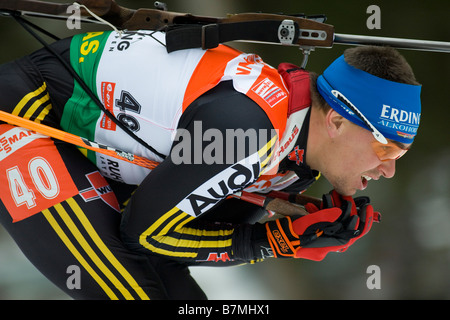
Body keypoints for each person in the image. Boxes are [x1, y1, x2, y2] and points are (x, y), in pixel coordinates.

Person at [0, 28, 421, 300]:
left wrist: (294, 220)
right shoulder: (246, 129)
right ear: (336, 120)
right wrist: (271, 241)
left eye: (402, 155)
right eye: (387, 150)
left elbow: (198, 228)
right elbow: (146, 235)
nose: (388, 169)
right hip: (27, 114)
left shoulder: (298, 153)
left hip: (91, 148)